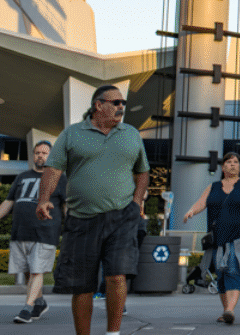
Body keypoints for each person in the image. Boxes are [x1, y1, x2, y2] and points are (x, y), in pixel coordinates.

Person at [38, 85, 149, 335]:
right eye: (116, 102)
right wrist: (44, 198)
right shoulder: (72, 134)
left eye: (123, 102)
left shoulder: (131, 134)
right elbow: (53, 169)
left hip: (122, 216)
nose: (122, 106)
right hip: (81, 219)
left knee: (116, 276)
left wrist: (136, 201)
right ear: (98, 105)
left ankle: (113, 333)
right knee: (82, 285)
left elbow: (143, 171)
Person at [181, 153, 240, 325]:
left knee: (232, 267)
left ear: (239, 167)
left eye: (236, 162)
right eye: (229, 162)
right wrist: (191, 211)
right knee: (221, 273)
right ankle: (226, 310)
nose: (232, 165)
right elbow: (201, 202)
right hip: (218, 237)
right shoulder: (213, 186)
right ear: (223, 167)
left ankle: (230, 309)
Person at [2, 140, 65, 323]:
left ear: (51, 156)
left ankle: (27, 308)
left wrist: (73, 227)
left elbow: (67, 206)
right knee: (28, 270)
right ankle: (39, 302)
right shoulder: (21, 177)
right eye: (37, 153)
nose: (40, 156)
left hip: (46, 231)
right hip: (20, 232)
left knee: (37, 270)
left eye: (45, 153)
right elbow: (8, 203)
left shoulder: (59, 177)